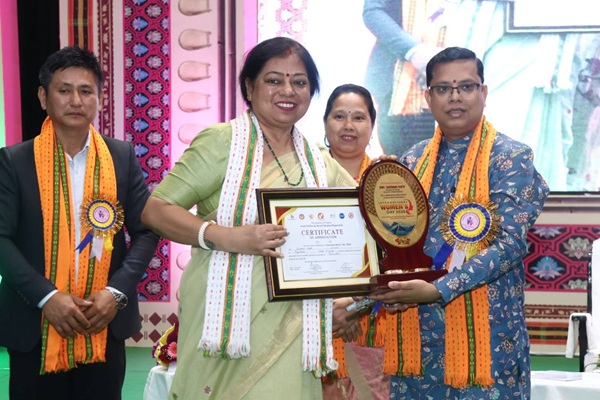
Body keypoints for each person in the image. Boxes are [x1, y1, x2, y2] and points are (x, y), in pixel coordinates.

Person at [141, 37, 359, 400]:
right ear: (249, 86)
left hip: (294, 325)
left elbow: (361, 222)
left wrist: (350, 297)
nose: (288, 91)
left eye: (300, 82)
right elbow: (156, 210)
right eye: (274, 80)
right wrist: (227, 237)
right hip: (224, 325)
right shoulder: (221, 142)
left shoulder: (319, 161)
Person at [369, 47, 550, 399]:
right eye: (443, 88)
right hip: (417, 342)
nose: (455, 97)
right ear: (428, 97)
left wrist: (440, 289)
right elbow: (394, 241)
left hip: (489, 344)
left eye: (466, 86)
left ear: (483, 92)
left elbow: (509, 245)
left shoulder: (511, 157)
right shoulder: (411, 160)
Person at [0, 46, 159, 399]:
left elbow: (147, 231)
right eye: (64, 90)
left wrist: (115, 294)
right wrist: (47, 297)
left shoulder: (121, 157)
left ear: (99, 99)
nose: (76, 100)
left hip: (103, 320)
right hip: (35, 324)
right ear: (43, 97)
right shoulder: (14, 161)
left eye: (86, 91)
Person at [363, 0, 585, 191]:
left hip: (485, 76)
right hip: (404, 90)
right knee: (408, 185)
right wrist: (415, 52)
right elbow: (374, 11)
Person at [321, 83, 390, 399]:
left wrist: (354, 305)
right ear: (325, 123)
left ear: (372, 125)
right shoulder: (301, 178)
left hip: (376, 324)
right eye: (339, 116)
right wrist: (330, 307)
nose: (348, 125)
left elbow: (400, 257)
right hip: (311, 324)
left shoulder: (390, 180)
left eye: (359, 117)